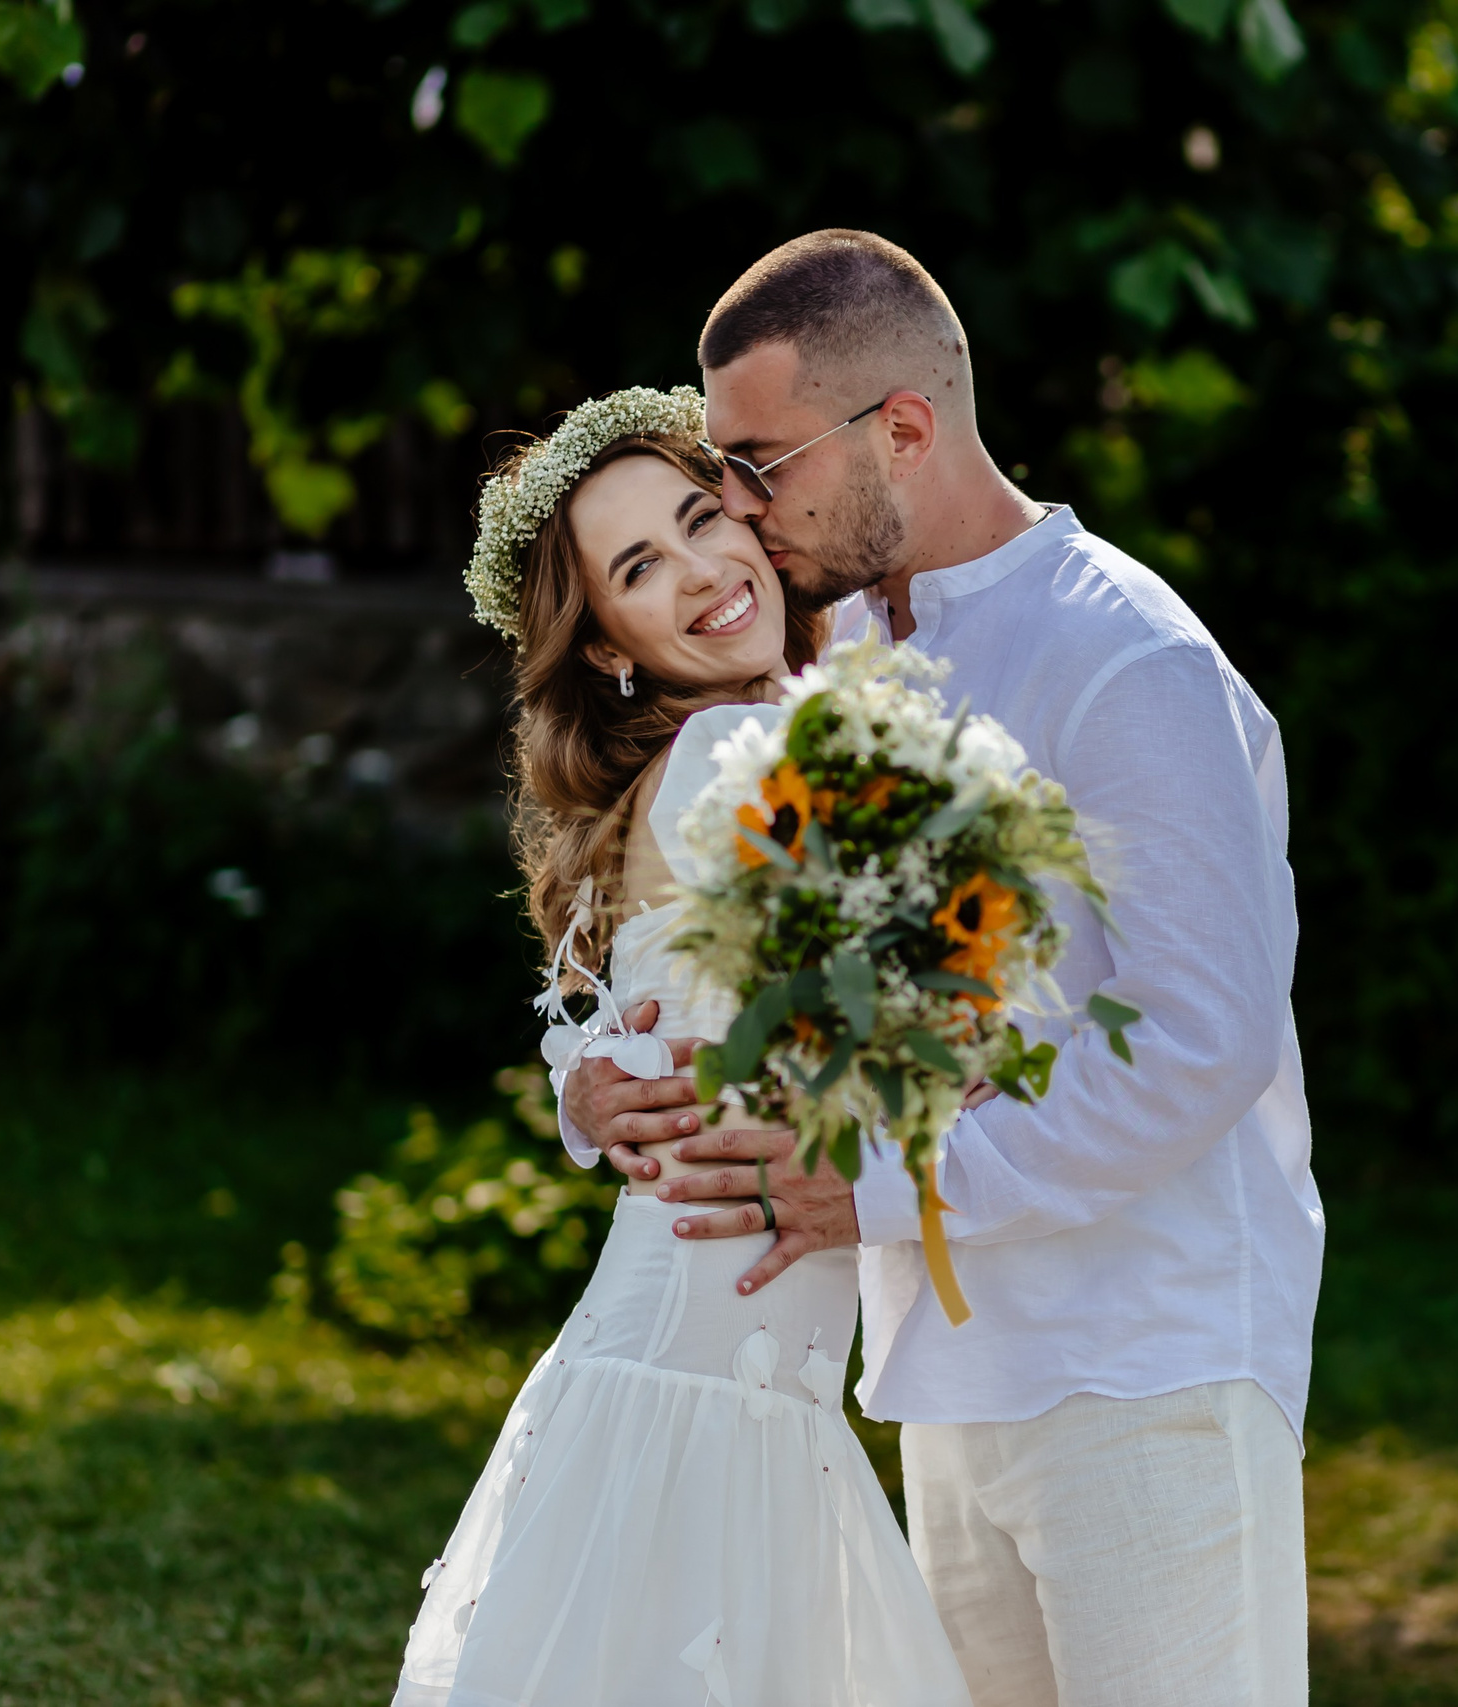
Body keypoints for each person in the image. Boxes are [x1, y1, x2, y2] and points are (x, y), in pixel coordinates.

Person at [559, 230, 1325, 1706]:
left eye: (760, 463)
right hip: (942, 1380)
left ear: (900, 428)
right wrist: (603, 1084)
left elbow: (1206, 1040)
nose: (735, 505)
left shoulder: (1128, 661)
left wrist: (891, 1189)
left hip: (1145, 1367)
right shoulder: (830, 659)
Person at [394, 385, 971, 1707]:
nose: (706, 569)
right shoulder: (741, 751)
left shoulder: (722, 754)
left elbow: (602, 1038)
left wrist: (589, 1099)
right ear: (607, 648)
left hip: (691, 1379)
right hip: (706, 1408)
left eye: (705, 519)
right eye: (642, 567)